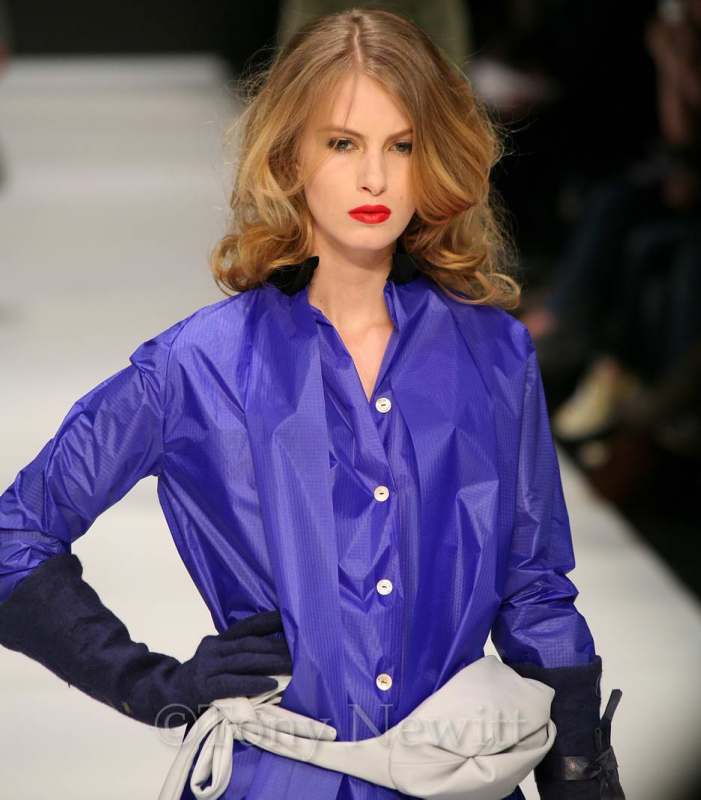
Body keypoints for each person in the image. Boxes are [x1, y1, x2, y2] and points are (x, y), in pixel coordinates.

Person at [0, 8, 624, 800]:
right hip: (275, 778)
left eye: (402, 145)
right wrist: (152, 686)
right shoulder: (198, 365)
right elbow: (14, 534)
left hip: (451, 779)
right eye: (343, 144)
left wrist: (581, 774)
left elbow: (533, 589)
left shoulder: (494, 355)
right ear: (289, 154)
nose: (375, 179)